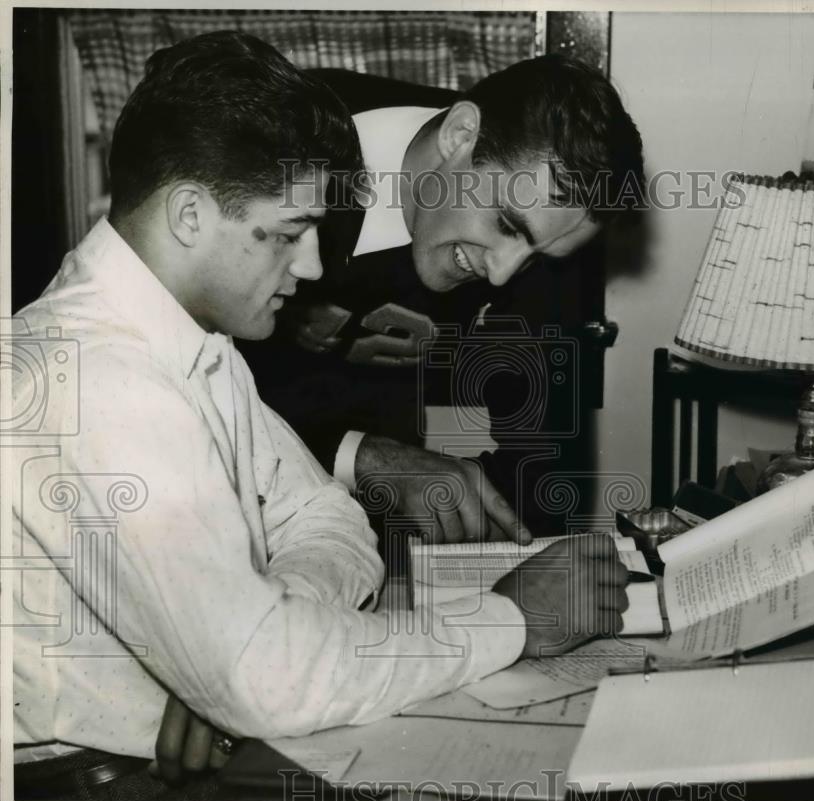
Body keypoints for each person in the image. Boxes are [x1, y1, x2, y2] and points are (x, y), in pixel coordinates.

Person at [10, 31, 629, 799]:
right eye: (291, 233)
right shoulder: (100, 377)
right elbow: (262, 672)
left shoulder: (196, 343)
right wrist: (508, 621)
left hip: (233, 729)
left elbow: (331, 521)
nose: (308, 269)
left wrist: (226, 648)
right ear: (192, 216)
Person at [241, 56, 647, 543]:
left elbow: (546, 473)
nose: (502, 276)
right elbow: (178, 400)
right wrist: (362, 457)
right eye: (505, 224)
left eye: (538, 257)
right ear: (459, 136)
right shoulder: (261, 140)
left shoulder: (549, 224)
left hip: (373, 541)